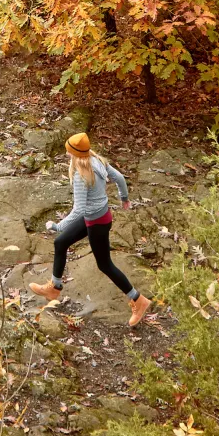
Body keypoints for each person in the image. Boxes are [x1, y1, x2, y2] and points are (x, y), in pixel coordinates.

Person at [29, 132, 152, 326]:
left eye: (69, 152)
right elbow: (119, 177)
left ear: (76, 154)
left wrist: (57, 226)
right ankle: (54, 287)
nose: (67, 155)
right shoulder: (97, 160)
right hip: (95, 217)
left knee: (105, 265)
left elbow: (78, 209)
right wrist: (124, 198)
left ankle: (138, 299)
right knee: (60, 243)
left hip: (97, 223)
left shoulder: (81, 175)